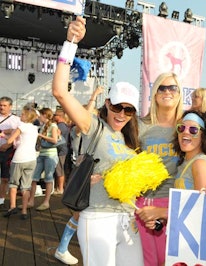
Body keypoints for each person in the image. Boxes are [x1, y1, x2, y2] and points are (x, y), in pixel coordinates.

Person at [52, 16, 143, 265]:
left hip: (129, 221)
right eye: (117, 106)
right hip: (98, 218)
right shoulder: (95, 126)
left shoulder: (132, 141)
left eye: (129, 110)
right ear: (107, 104)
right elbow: (60, 91)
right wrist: (71, 42)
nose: (121, 114)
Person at [135, 72, 183, 266]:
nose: (167, 91)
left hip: (173, 204)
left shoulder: (187, 126)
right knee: (148, 262)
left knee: (169, 261)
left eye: (172, 87)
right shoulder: (140, 125)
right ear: (154, 94)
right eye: (161, 88)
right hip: (143, 204)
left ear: (179, 94)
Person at [54, 86, 103, 265]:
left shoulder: (96, 135)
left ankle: (66, 248)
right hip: (81, 179)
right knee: (78, 215)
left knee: (84, 215)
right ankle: (62, 249)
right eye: (93, 117)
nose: (95, 121)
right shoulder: (78, 130)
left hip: (90, 178)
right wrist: (94, 97)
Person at [1, 106, 38, 220]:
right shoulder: (34, 128)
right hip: (31, 158)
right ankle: (24, 211)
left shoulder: (21, 127)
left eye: (22, 114)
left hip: (19, 158)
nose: (20, 116)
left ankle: (12, 207)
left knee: (13, 184)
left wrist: (3, 136)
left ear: (27, 116)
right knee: (26, 186)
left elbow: (10, 140)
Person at [173, 110, 206, 190]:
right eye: (181, 128)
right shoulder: (185, 162)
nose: (185, 132)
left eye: (193, 130)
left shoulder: (200, 164)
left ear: (203, 136)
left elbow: (203, 201)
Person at [28, 107, 59, 211]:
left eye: (40, 115)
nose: (39, 117)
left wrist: (41, 135)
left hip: (50, 155)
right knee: (34, 177)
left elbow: (54, 140)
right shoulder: (44, 126)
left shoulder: (53, 126)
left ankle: (46, 202)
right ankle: (31, 201)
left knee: (48, 177)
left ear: (45, 115)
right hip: (43, 154)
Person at [0, 96, 21, 210]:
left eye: (4, 105)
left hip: (7, 150)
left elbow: (19, 135)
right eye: (0, 105)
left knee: (5, 177)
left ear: (10, 107)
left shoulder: (16, 120)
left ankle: (1, 199)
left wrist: (7, 145)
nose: (2, 107)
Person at [53, 108, 70, 194]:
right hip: (64, 150)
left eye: (55, 115)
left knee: (60, 170)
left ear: (59, 116)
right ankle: (60, 187)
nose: (53, 116)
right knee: (61, 169)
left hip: (61, 151)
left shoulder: (60, 126)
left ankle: (60, 188)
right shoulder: (65, 126)